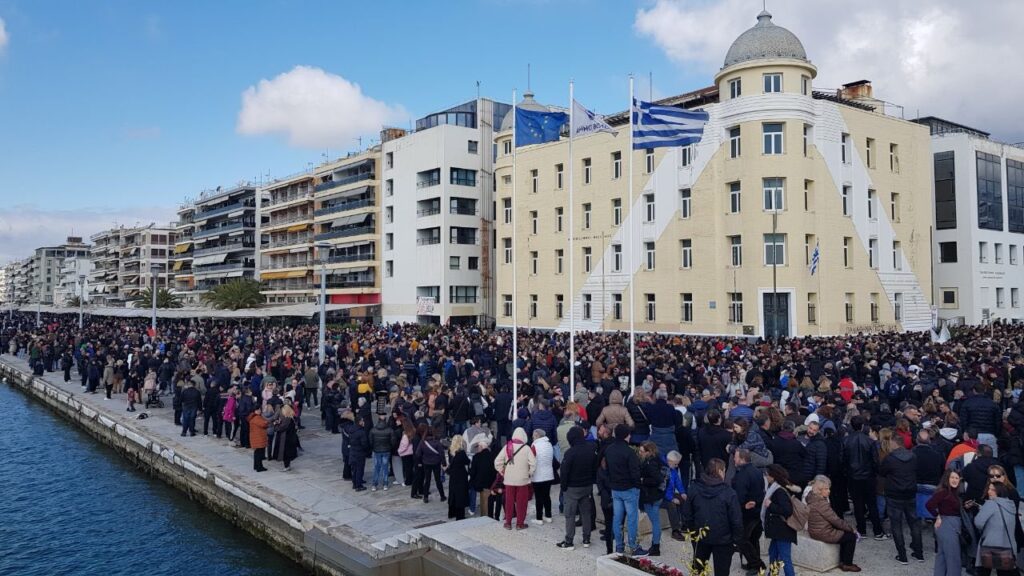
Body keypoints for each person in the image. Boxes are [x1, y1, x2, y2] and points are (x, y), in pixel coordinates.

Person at [683, 458, 742, 576]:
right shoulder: (729, 492)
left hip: (701, 536)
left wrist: (693, 533)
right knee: (722, 572)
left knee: (698, 570)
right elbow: (736, 520)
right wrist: (737, 540)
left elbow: (687, 514)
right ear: (720, 471)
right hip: (723, 540)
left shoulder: (694, 488)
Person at [879, 436, 924, 564]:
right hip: (910, 493)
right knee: (914, 523)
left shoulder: (890, 458)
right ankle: (919, 553)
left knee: (896, 525)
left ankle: (902, 555)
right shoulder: (913, 456)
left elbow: (882, 472)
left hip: (894, 494)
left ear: (894, 443)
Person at [807, 475, 861, 572]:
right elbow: (835, 520)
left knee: (844, 533)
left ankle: (842, 560)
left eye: (829, 488)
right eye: (826, 489)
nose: (829, 491)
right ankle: (847, 564)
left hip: (815, 529)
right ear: (819, 490)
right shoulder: (821, 503)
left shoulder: (811, 496)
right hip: (822, 532)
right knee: (851, 536)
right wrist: (851, 528)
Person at [605, 424, 644, 555]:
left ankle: (619, 547)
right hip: (629, 489)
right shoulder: (629, 452)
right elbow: (635, 473)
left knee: (617, 518)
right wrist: (638, 485)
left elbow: (607, 469)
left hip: (615, 489)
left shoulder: (609, 449)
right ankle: (633, 546)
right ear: (627, 436)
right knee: (632, 519)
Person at [844, 416, 885, 539]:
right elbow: (875, 461)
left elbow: (842, 459)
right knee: (872, 504)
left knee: (858, 504)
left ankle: (862, 530)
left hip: (853, 476)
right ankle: (877, 530)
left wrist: (847, 472)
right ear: (862, 426)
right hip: (868, 476)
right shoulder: (870, 441)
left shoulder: (846, 440)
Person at [557, 426, 597, 550]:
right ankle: (586, 539)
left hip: (572, 488)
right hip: (587, 486)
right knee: (586, 513)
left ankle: (569, 541)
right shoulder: (591, 450)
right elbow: (594, 468)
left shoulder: (570, 453)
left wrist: (563, 487)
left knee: (570, 514)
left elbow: (564, 472)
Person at [494, 427, 536, 530]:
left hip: (509, 480)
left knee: (509, 501)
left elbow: (497, 462)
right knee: (522, 503)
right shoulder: (526, 448)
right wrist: (529, 473)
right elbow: (533, 464)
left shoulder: (507, 446)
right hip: (522, 480)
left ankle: (508, 523)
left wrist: (502, 471)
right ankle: (520, 523)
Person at [974, 482, 1020, 576]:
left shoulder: (991, 504)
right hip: (1007, 549)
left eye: (993, 490)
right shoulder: (1010, 505)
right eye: (989, 489)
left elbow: (978, 523)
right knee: (1004, 572)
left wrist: (982, 511)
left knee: (983, 572)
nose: (989, 492)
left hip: (989, 546)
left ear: (1000, 491)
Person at [732, 448, 766, 573]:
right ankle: (754, 565)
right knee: (752, 539)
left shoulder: (742, 475)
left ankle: (756, 564)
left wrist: (739, 507)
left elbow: (739, 496)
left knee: (742, 539)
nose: (734, 459)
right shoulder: (757, 471)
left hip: (747, 513)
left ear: (741, 459)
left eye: (735, 457)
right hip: (756, 510)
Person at [926, 470, 965, 576]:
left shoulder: (952, 492)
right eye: (952, 477)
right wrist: (937, 516)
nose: (955, 480)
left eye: (957, 478)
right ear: (947, 479)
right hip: (948, 525)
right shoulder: (944, 492)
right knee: (953, 558)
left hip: (946, 525)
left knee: (942, 556)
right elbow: (929, 505)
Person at [763, 464, 797, 576]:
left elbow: (787, 510)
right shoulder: (777, 488)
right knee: (773, 553)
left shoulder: (779, 491)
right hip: (778, 531)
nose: (766, 477)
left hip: (783, 531)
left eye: (767, 474)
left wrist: (770, 505)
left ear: (773, 476)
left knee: (784, 558)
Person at [638, 441, 665, 557]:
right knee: (656, 521)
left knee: (655, 522)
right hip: (657, 495)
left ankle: (656, 546)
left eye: (642, 451)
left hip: (651, 496)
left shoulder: (650, 464)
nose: (640, 453)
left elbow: (657, 479)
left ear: (649, 452)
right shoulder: (656, 459)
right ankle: (655, 545)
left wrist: (643, 480)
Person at [531, 428, 556, 525]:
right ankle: (548, 516)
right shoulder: (549, 444)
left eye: (533, 435)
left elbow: (532, 459)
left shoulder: (535, 445)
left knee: (538, 497)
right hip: (549, 474)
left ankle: (539, 518)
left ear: (537, 435)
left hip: (538, 475)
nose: (532, 436)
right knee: (546, 496)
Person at [417, 428, 447, 504]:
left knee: (427, 480)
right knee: (438, 480)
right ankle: (442, 496)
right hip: (436, 463)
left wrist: (420, 461)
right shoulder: (437, 442)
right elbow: (442, 454)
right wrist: (444, 464)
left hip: (426, 463)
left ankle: (426, 497)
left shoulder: (422, 442)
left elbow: (418, 453)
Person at [663, 450, 688, 543]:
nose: (677, 466)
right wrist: (672, 498)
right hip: (662, 496)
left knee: (684, 499)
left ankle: (685, 523)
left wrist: (682, 492)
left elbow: (677, 481)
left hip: (669, 493)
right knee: (672, 505)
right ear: (669, 461)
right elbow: (663, 488)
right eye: (675, 464)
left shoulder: (672, 469)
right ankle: (675, 530)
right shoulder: (663, 469)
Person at [470, 438, 497, 520]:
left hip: (481, 484)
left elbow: (473, 472)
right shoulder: (493, 455)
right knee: (490, 502)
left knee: (484, 502)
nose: (478, 448)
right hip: (492, 482)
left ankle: (485, 517)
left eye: (478, 447)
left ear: (481, 447)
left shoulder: (476, 457)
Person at [446, 435, 471, 520]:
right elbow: (467, 462)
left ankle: (451, 513)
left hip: (453, 475)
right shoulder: (461, 452)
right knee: (460, 495)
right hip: (461, 476)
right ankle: (460, 515)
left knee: (453, 494)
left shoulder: (450, 451)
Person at [369, 414, 393, 491]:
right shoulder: (390, 430)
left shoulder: (373, 430)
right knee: (385, 468)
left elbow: (370, 441)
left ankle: (374, 484)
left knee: (376, 467)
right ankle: (385, 484)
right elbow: (393, 441)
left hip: (377, 451)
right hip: (386, 450)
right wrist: (390, 447)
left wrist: (373, 448)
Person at [274, 404, 299, 471]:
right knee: (288, 452)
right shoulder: (292, 418)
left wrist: (276, 425)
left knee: (285, 453)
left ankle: (287, 466)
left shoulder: (286, 420)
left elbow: (281, 428)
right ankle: (288, 465)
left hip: (286, 439)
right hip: (290, 438)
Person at [348, 416, 370, 491]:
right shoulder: (361, 432)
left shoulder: (351, 429)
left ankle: (355, 483)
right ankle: (358, 485)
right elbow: (364, 444)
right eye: (362, 421)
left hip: (352, 452)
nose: (363, 422)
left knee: (354, 469)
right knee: (359, 469)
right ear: (359, 422)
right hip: (360, 453)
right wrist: (367, 450)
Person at [248, 408, 269, 472]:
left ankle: (256, 466)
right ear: (255, 411)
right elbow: (263, 424)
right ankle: (259, 467)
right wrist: (267, 422)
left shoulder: (252, 417)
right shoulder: (257, 418)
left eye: (260, 410)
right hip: (259, 437)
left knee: (257, 452)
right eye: (258, 410)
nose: (260, 411)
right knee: (259, 453)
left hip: (256, 437)